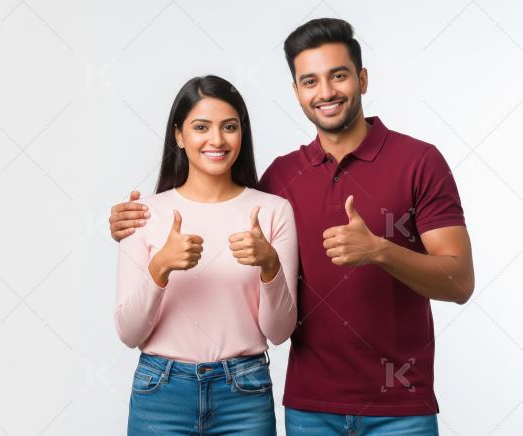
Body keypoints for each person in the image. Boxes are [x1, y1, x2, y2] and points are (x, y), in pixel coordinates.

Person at [110, 18, 474, 436]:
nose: (326, 92)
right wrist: (132, 227)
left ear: (362, 79)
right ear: (297, 91)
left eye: (338, 75)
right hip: (310, 409)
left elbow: (459, 283)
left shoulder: (419, 162)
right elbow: (220, 208)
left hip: (400, 407)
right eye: (310, 81)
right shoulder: (281, 180)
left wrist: (379, 250)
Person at [116, 74, 299, 435]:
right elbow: (129, 333)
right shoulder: (144, 215)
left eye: (229, 127)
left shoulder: (273, 211)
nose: (217, 140)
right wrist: (159, 268)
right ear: (179, 135)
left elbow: (278, 333)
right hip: (161, 391)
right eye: (201, 127)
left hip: (244, 392)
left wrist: (270, 266)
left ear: (242, 133)